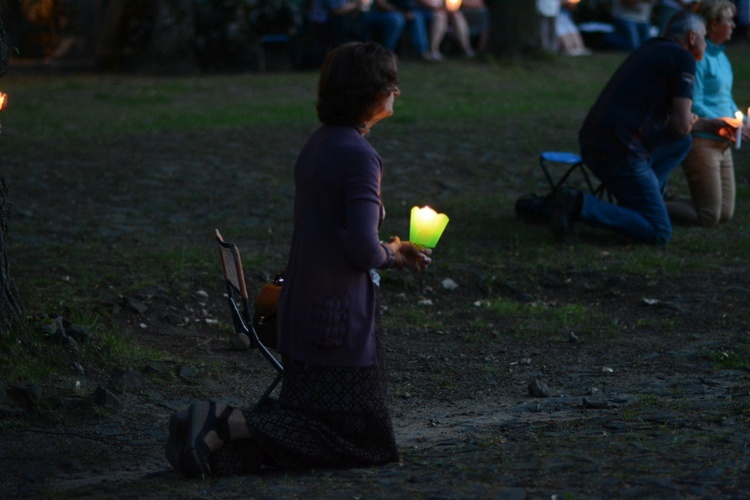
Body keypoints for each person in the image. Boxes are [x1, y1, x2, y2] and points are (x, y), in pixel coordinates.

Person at [165, 41, 432, 478]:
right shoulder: (360, 157)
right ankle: (226, 421)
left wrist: (387, 246)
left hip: (303, 310)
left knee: (320, 424)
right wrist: (395, 254)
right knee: (366, 441)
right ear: (368, 91)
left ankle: (213, 443)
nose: (397, 92)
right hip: (337, 320)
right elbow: (362, 249)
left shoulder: (321, 144)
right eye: (391, 84)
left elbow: (334, 230)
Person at [551, 10, 707, 245]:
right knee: (659, 232)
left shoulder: (649, 48)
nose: (706, 43)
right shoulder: (682, 58)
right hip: (621, 153)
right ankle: (581, 205)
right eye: (705, 37)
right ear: (693, 37)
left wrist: (705, 124)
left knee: (681, 144)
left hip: (593, 142)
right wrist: (689, 122)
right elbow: (680, 126)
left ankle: (648, 198)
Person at [666, 0, 749, 226]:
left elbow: (725, 97)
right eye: (728, 21)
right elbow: (696, 102)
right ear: (712, 25)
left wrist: (743, 121)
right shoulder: (698, 59)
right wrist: (724, 121)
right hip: (703, 140)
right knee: (709, 216)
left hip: (723, 140)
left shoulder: (722, 58)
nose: (733, 25)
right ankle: (651, 203)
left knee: (725, 214)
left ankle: (667, 200)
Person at [373, 0, 438, 61]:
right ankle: (386, 53)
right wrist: (401, 13)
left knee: (417, 16)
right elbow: (380, 4)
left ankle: (422, 52)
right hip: (380, 13)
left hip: (401, 12)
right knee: (397, 20)